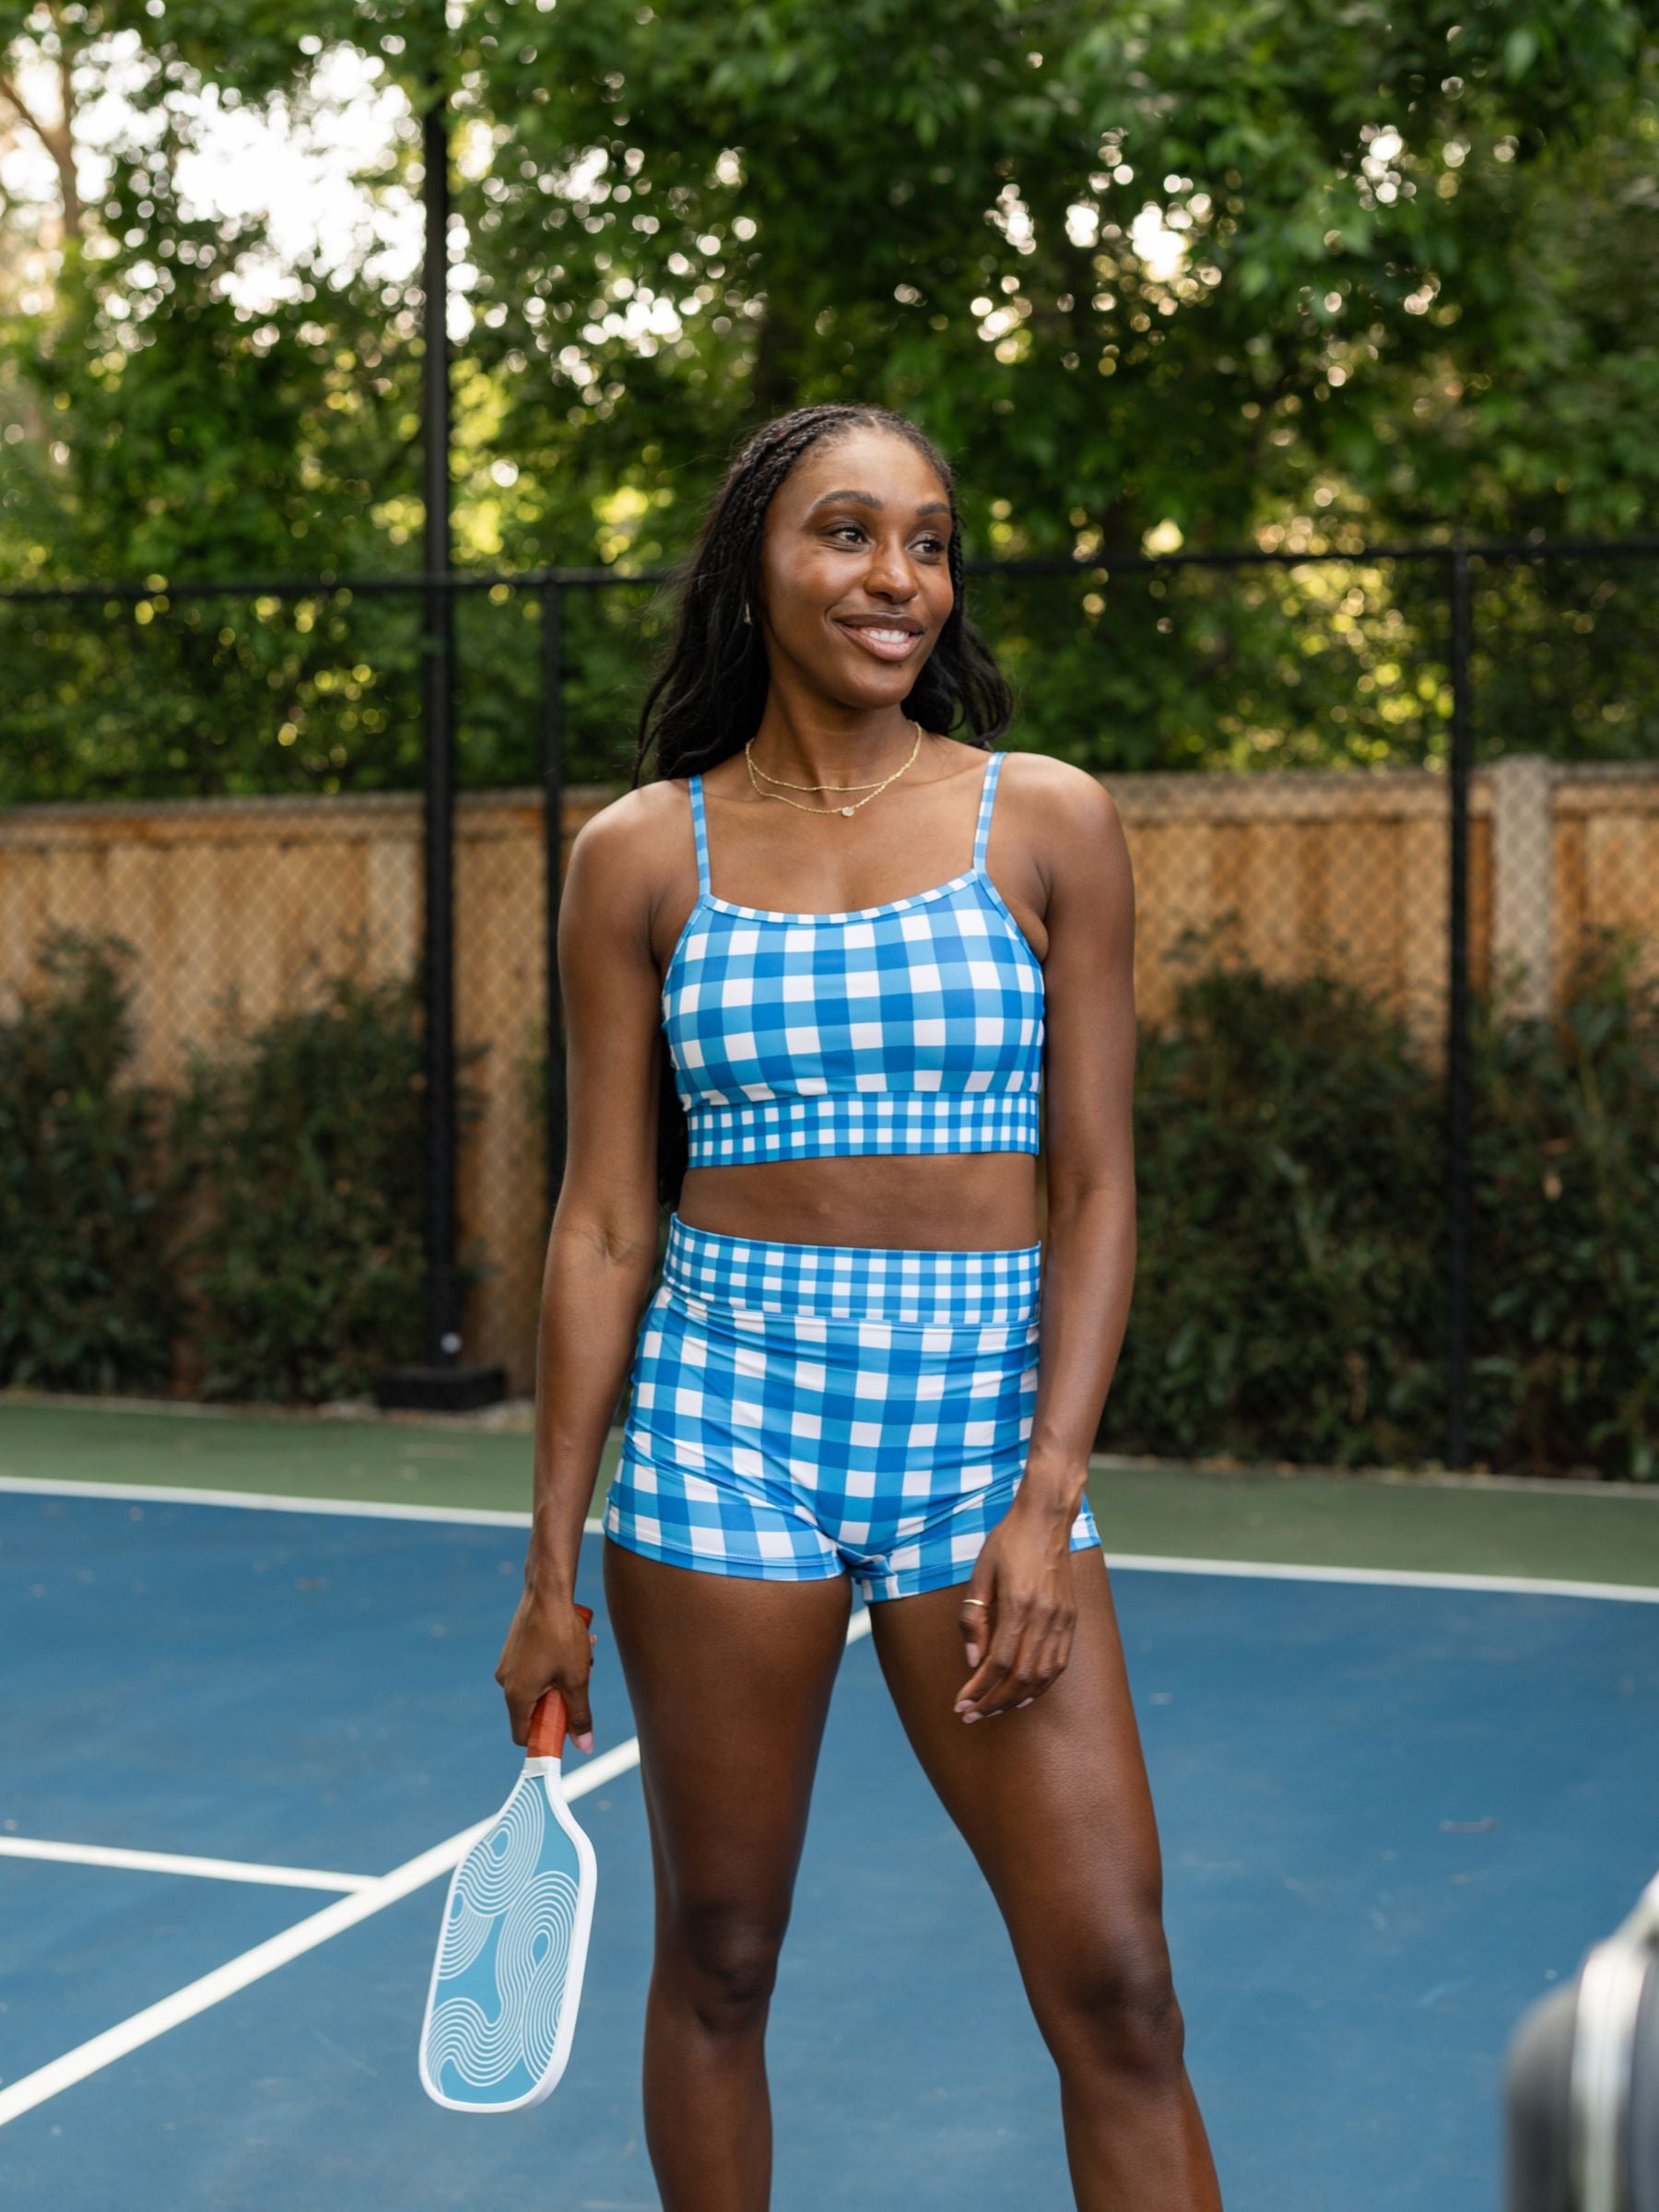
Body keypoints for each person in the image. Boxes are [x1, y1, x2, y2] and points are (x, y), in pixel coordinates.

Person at [495, 401, 1223, 2211]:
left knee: (1120, 1994)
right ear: (756, 559)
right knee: (722, 1961)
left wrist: (1046, 1499)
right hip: (723, 1430)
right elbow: (601, 1223)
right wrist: (546, 1575)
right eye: (845, 531)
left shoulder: (1043, 818)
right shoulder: (638, 858)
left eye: (929, 538)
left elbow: (1096, 1185)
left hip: (983, 1440)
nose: (896, 575)